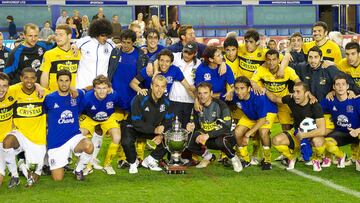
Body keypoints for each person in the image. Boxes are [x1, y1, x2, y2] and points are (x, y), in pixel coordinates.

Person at [107, 29, 148, 166]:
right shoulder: (115, 52)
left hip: (133, 98)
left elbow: (144, 77)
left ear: (133, 42)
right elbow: (109, 71)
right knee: (119, 129)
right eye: (123, 42)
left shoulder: (141, 56)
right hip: (117, 98)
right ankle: (122, 158)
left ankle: (140, 157)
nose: (125, 45)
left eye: (128, 43)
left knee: (136, 128)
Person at [43, 69, 93, 181]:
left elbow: (88, 88)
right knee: (57, 179)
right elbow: (43, 114)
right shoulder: (49, 98)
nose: (64, 83)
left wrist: (107, 88)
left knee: (89, 146)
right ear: (57, 81)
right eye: (61, 80)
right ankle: (57, 163)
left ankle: (79, 170)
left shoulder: (76, 94)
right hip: (56, 142)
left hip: (74, 136)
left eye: (66, 80)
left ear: (70, 81)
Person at [3, 68, 48, 188]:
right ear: (21, 78)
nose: (29, 80)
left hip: (38, 139)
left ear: (36, 79)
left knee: (34, 178)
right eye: (26, 77)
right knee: (7, 142)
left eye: (32, 78)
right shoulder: (13, 90)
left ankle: (23, 164)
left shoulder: (43, 93)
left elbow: (59, 94)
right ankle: (14, 176)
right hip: (20, 134)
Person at [267, 82, 326, 171]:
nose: (295, 95)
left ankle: (316, 159)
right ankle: (291, 158)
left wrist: (304, 136)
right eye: (294, 91)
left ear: (306, 94)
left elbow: (322, 130)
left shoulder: (315, 105)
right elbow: (275, 99)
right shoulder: (291, 99)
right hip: (297, 134)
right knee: (276, 140)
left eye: (298, 92)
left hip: (312, 136)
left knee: (318, 141)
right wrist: (265, 90)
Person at [121, 75, 174, 174]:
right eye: (157, 86)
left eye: (162, 87)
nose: (159, 90)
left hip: (150, 128)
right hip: (133, 126)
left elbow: (168, 121)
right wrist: (154, 130)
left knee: (170, 137)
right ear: (151, 86)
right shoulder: (140, 98)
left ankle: (151, 160)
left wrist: (161, 135)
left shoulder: (167, 101)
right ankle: (133, 162)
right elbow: (136, 122)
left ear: (165, 88)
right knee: (126, 142)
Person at [186, 82, 242, 172]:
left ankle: (233, 158)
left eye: (205, 93)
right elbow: (196, 125)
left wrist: (207, 135)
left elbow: (226, 128)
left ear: (211, 93)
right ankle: (209, 157)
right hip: (208, 137)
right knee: (188, 138)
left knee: (221, 141)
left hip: (227, 136)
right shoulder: (197, 106)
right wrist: (191, 126)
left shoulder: (221, 105)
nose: (202, 96)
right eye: (200, 93)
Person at [232, 76, 278, 170]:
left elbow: (262, 120)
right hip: (251, 114)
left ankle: (267, 160)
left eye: (242, 88)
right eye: (236, 88)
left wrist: (247, 134)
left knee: (263, 132)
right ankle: (246, 159)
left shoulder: (258, 98)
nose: (239, 91)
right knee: (237, 132)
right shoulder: (235, 96)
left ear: (249, 88)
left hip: (267, 112)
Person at [80, 75, 121, 175]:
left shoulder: (114, 95)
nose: (102, 91)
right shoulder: (87, 98)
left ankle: (107, 165)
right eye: (98, 88)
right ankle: (86, 165)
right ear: (94, 88)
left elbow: (122, 105)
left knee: (117, 137)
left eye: (104, 88)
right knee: (81, 135)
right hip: (90, 118)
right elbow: (78, 111)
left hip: (108, 118)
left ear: (108, 88)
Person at [251, 49, 301, 131]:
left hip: (283, 102)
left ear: (278, 60)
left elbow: (299, 83)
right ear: (265, 60)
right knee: (263, 128)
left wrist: (295, 93)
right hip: (268, 102)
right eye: (269, 59)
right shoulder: (261, 70)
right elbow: (252, 81)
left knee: (286, 127)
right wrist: (255, 85)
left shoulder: (288, 70)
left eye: (274, 59)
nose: (271, 62)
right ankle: (260, 142)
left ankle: (284, 142)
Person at [321, 75, 360, 170]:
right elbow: (316, 111)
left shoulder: (356, 100)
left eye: (343, 84)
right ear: (333, 87)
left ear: (347, 86)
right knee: (327, 142)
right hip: (341, 133)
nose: (340, 87)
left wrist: (358, 130)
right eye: (337, 84)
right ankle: (341, 156)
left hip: (357, 132)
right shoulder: (329, 100)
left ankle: (358, 159)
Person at [74, 18, 114, 89]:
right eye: (102, 35)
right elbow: (73, 45)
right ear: (96, 33)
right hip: (84, 85)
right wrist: (74, 46)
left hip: (101, 87)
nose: (105, 38)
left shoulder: (110, 44)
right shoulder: (84, 41)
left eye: (107, 36)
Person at [40, 24, 80, 92]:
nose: (57, 38)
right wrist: (46, 94)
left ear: (69, 36)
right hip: (55, 95)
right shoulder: (49, 54)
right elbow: (45, 76)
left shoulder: (79, 53)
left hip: (75, 95)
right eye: (56, 35)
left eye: (61, 35)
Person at [0, 73, 16, 187]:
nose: (1, 89)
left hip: (6, 140)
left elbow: (28, 83)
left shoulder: (13, 92)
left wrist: (38, 86)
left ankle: (15, 176)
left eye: (4, 86)